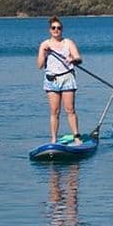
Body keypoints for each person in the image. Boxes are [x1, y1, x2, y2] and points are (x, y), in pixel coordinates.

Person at [37, 16, 83, 144]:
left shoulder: (68, 42)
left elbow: (79, 59)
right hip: (51, 80)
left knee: (70, 109)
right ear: (50, 30)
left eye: (59, 28)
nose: (56, 30)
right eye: (53, 28)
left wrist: (73, 59)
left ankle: (76, 137)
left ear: (62, 29)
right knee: (54, 111)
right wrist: (44, 53)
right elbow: (40, 65)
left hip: (67, 78)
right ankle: (54, 139)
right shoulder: (44, 44)